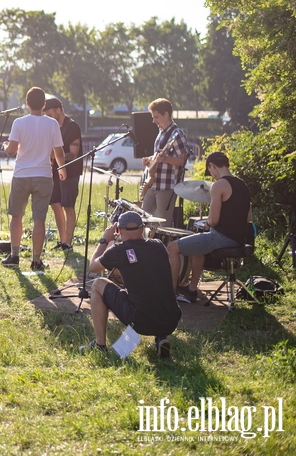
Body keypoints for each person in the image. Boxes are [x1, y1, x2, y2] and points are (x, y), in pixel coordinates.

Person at [87, 212, 181, 358]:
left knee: (98, 284)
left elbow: (93, 267)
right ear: (143, 228)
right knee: (151, 292)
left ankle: (100, 345)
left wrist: (104, 240)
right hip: (171, 319)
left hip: (140, 320)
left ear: (119, 230)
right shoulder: (158, 246)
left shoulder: (118, 251)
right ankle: (161, 338)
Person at [167, 151, 252, 303]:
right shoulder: (242, 184)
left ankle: (170, 295)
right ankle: (192, 289)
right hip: (240, 238)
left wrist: (206, 224)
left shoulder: (219, 185)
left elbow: (213, 220)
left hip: (222, 238)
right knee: (197, 248)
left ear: (212, 165)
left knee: (173, 247)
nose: (212, 175)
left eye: (210, 171)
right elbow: (248, 218)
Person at [1, 87, 66, 270]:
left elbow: (12, 150)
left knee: (17, 216)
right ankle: (36, 260)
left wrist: (6, 146)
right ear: (44, 105)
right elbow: (58, 151)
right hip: (43, 176)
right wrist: (61, 168)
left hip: (22, 175)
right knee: (39, 219)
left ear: (27, 104)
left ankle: (14, 255)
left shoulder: (19, 123)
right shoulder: (52, 124)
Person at [141, 98, 189, 226]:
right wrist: (150, 160)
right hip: (153, 183)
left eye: (156, 117)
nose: (153, 121)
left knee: (164, 224)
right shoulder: (161, 132)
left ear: (166, 114)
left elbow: (182, 160)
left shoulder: (177, 134)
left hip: (166, 186)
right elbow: (158, 155)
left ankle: (164, 245)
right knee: (142, 219)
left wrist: (166, 158)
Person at [44, 97, 82, 251]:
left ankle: (68, 242)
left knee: (68, 205)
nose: (47, 116)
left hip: (70, 171)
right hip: (53, 171)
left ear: (58, 110)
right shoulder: (51, 126)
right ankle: (62, 240)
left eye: (49, 113)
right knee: (55, 203)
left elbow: (73, 153)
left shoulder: (72, 126)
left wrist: (56, 156)